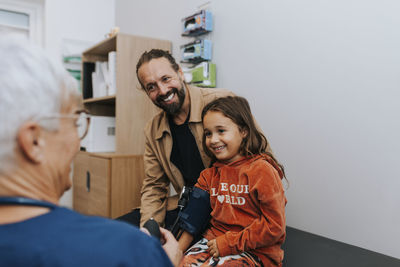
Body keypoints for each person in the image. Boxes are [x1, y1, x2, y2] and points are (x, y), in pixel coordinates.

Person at [0, 37, 181, 267]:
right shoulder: (129, 251)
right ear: (34, 141)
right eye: (75, 121)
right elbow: (154, 185)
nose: (79, 140)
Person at [119, 49, 273, 229]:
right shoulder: (153, 130)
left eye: (166, 79)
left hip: (231, 210)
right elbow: (154, 186)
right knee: (120, 232)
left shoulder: (222, 100)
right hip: (190, 207)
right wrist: (149, 230)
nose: (162, 90)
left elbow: (264, 159)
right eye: (151, 87)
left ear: (180, 73)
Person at [178, 96, 287, 267]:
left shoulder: (262, 171)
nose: (213, 140)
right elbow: (194, 217)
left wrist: (229, 243)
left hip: (255, 251)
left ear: (243, 131)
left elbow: (274, 226)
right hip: (213, 242)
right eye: (208, 133)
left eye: (221, 131)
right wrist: (175, 251)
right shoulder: (209, 175)